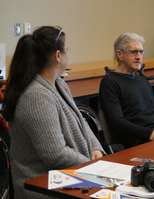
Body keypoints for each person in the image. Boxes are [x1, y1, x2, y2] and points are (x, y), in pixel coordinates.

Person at [1, 26, 104, 199]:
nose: (68, 53)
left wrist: (95, 148)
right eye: (67, 50)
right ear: (58, 56)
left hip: (69, 175)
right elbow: (55, 154)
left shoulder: (59, 84)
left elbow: (81, 122)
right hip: (42, 186)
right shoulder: (36, 95)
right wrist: (92, 164)